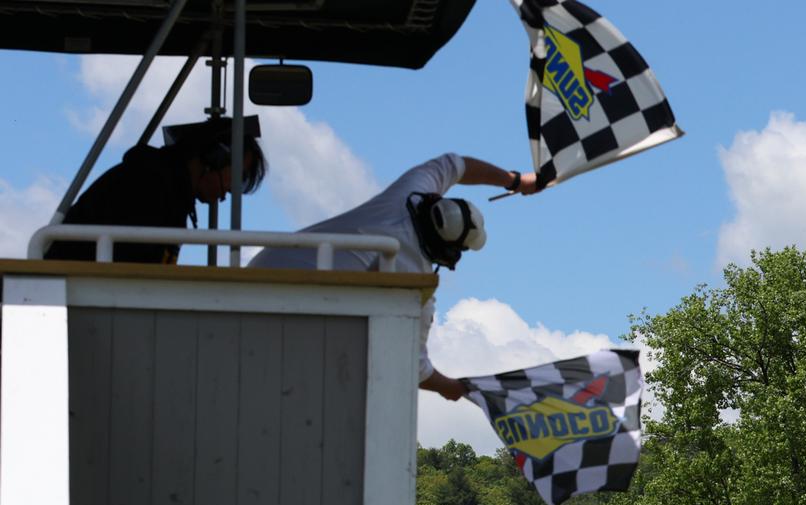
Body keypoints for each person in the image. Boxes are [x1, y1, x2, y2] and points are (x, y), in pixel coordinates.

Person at [250, 153, 537, 399]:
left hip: (252, 277)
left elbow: (457, 164)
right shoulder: (414, 285)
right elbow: (415, 367)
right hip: (287, 334)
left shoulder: (408, 193)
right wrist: (451, 388)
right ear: (449, 251)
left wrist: (515, 181)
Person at [45, 117, 268, 264]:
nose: (229, 191)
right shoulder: (148, 187)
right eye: (237, 177)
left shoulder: (166, 185)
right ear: (214, 157)